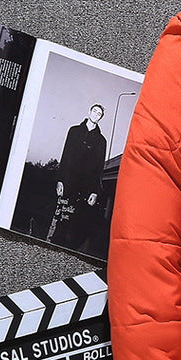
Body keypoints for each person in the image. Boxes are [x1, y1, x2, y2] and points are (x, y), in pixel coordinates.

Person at [47, 103, 107, 250]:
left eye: (99, 114)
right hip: (68, 183)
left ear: (100, 118)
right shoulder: (74, 131)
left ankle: (67, 253)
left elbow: (99, 168)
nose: (96, 115)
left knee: (76, 225)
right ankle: (52, 247)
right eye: (94, 111)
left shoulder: (101, 141)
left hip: (86, 189)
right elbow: (65, 155)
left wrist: (95, 191)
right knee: (61, 219)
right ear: (89, 112)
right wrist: (60, 180)